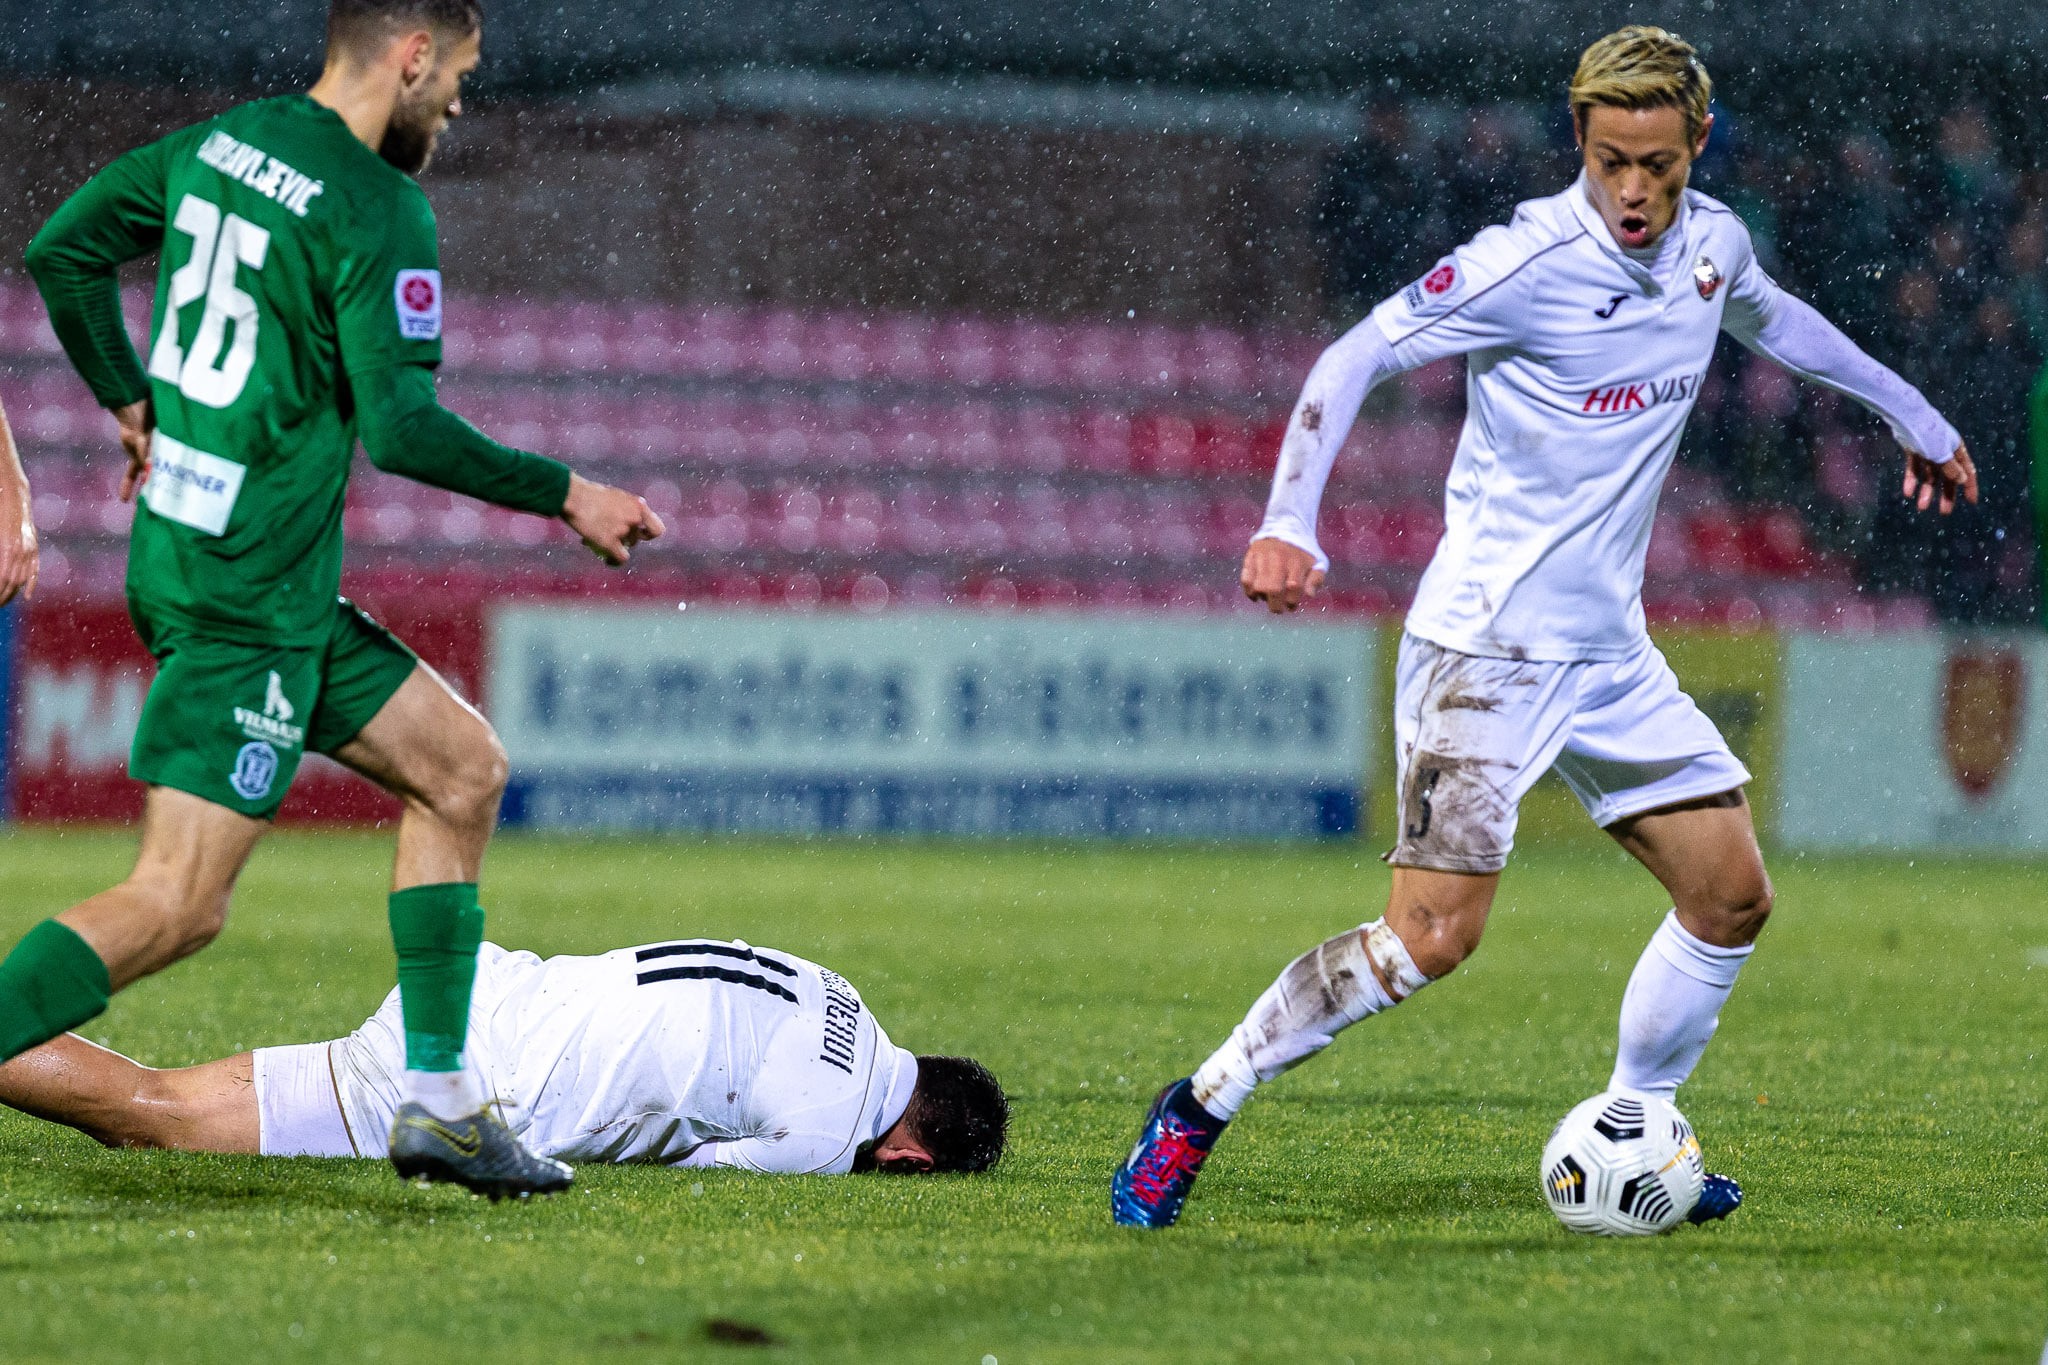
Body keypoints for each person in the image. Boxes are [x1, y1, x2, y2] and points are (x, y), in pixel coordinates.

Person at [1111, 25, 1978, 1229]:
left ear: (1697, 145)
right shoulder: (1521, 263)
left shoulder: (1713, 246)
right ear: (1577, 139)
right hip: (1484, 653)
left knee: (1728, 894)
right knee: (1427, 942)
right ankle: (1198, 1105)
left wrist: (1912, 416)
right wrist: (1286, 522)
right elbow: (1351, 357)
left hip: (1608, 655)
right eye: (1610, 161)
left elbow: (1776, 322)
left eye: (1657, 166)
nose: (1632, 192)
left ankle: (1633, 1133)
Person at [14, 0, 666, 1199]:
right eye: (457, 72)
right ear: (411, 55)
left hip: (225, 566)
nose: (458, 101)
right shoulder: (376, 204)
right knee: (177, 905)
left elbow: (63, 251)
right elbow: (403, 429)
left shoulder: (220, 145)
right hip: (249, 595)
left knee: (461, 770)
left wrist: (127, 396)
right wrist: (567, 492)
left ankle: (441, 1104)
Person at [0, 935, 1008, 1184]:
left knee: (161, 1105)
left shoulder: (843, 993)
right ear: (911, 1157)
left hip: (496, 986)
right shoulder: (829, 1135)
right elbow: (699, 1174)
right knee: (156, 1118)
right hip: (481, 1080)